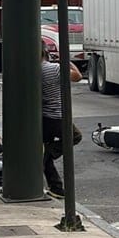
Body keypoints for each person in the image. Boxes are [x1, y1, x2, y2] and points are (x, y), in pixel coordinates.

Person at [41, 41, 82, 199]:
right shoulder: (54, 68)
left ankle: (56, 187)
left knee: (45, 146)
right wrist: (66, 61)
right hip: (57, 116)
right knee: (75, 136)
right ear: (45, 52)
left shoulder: (32, 69)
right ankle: (47, 155)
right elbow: (77, 76)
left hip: (43, 117)